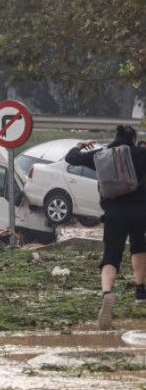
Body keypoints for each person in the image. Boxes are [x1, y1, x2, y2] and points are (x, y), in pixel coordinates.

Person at [65, 125, 146, 330]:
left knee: (111, 256)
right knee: (138, 246)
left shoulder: (100, 154)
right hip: (139, 211)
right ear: (133, 139)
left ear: (115, 137)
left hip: (113, 212)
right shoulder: (140, 152)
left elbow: (71, 157)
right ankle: (140, 290)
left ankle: (107, 293)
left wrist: (81, 144)